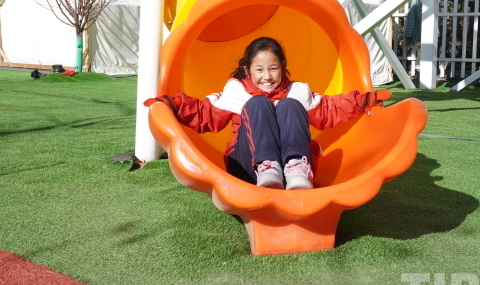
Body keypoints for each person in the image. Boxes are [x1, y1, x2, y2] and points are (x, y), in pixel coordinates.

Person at [144, 37, 390, 190]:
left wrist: (365, 100)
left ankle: (296, 168)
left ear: (282, 68)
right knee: (258, 104)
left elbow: (329, 109)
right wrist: (171, 103)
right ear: (247, 70)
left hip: (290, 168)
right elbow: (205, 113)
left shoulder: (297, 91)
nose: (267, 76)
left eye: (273, 68)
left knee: (289, 105)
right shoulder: (236, 91)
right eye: (259, 70)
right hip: (246, 165)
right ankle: (267, 167)